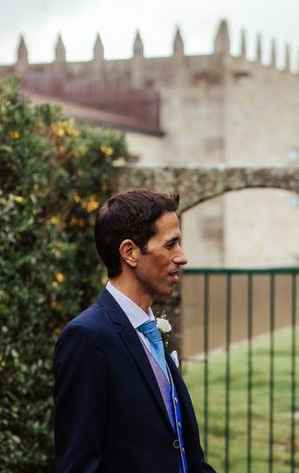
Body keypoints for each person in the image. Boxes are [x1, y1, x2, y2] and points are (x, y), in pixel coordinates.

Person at [53, 189, 216, 473]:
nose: (182, 257)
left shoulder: (150, 330)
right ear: (130, 252)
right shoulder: (87, 338)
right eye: (171, 245)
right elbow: (78, 465)